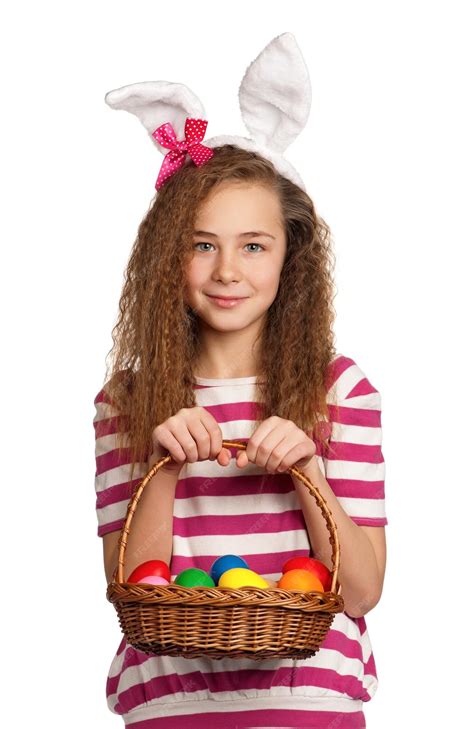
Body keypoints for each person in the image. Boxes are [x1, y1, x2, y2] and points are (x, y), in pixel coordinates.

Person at [93, 33, 388, 729]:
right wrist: (161, 465)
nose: (228, 270)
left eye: (254, 245)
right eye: (202, 244)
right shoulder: (125, 403)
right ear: (169, 255)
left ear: (291, 257)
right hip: (172, 702)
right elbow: (135, 592)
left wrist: (308, 464)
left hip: (310, 697)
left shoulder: (340, 389)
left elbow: (365, 590)